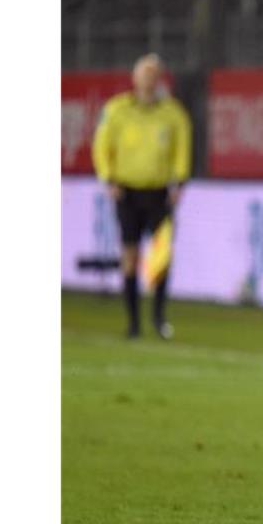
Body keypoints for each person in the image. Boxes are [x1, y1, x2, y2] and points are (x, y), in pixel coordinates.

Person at [92, 53, 191, 340]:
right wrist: (108, 178)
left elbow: (182, 150)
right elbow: (102, 145)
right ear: (135, 78)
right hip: (127, 190)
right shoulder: (117, 110)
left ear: (160, 78)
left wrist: (179, 183)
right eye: (144, 73)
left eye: (153, 74)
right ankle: (133, 323)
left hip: (160, 192)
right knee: (130, 255)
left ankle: (159, 319)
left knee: (160, 257)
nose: (148, 79)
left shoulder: (173, 113)